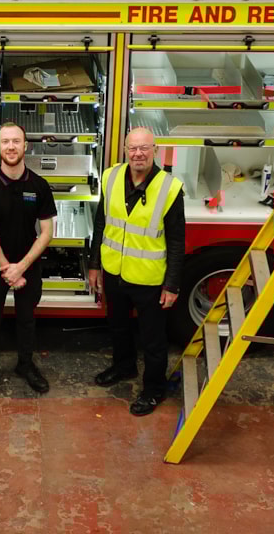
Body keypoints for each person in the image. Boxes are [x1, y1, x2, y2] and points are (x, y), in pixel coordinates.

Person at [88, 126, 185, 417]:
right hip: (114, 272)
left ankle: (154, 390)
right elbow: (101, 224)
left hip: (150, 279)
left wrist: (173, 285)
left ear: (155, 150)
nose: (138, 153)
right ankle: (124, 367)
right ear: (126, 151)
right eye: (133, 148)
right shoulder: (111, 176)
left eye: (145, 148)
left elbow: (177, 241)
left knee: (153, 340)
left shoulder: (170, 188)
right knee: (117, 326)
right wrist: (94, 265)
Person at [0, 121, 56, 401]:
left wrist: (22, 267)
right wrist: (7, 268)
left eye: (16, 141)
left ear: (25, 145)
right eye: (5, 141)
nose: (11, 146)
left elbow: (46, 233)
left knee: (27, 320)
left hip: (28, 267)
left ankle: (25, 365)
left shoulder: (39, 186)